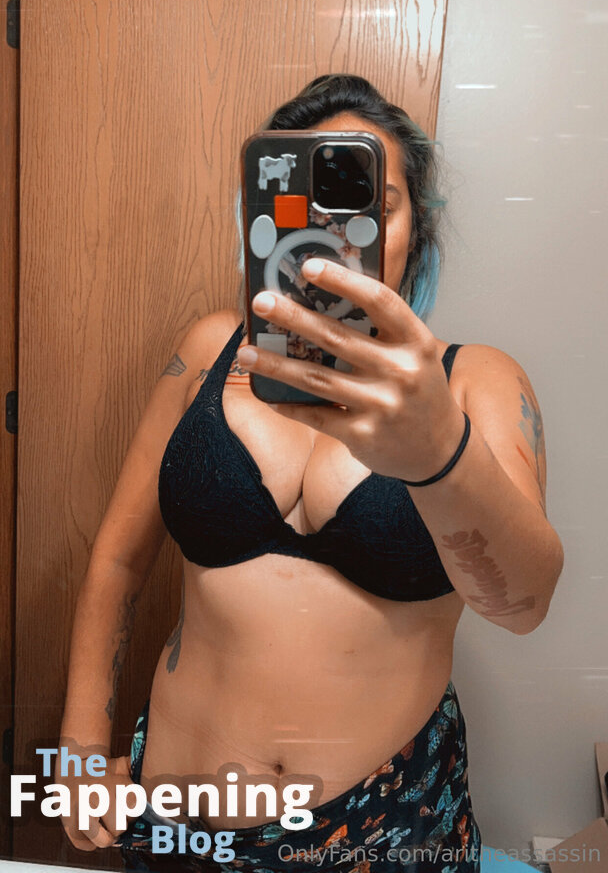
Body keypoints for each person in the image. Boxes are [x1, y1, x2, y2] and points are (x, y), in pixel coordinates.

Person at [58, 74, 564, 872]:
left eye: (372, 203)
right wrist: (83, 754)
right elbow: (119, 560)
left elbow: (524, 605)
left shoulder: (474, 382)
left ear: (416, 229)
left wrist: (439, 455)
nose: (334, 230)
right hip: (180, 818)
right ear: (265, 219)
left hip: (380, 830)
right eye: (305, 204)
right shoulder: (207, 351)